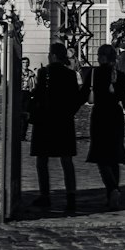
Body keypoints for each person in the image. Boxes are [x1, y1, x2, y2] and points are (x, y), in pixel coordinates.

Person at [29, 42, 88, 214]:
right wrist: (69, 112)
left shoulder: (43, 73)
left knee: (42, 160)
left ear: (53, 55)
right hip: (63, 121)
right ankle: (71, 197)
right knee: (66, 160)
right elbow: (76, 99)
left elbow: (38, 95)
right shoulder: (70, 74)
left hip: (45, 121)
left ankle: (45, 195)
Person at [85, 44, 125, 210]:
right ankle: (112, 195)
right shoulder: (120, 76)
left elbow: (81, 96)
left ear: (102, 57)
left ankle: (112, 190)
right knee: (114, 158)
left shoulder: (94, 74)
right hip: (116, 117)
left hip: (100, 116)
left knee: (101, 158)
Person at [20, 57, 37, 141]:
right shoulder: (18, 72)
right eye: (23, 62)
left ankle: (23, 134)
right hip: (20, 93)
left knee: (26, 115)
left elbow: (35, 84)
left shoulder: (31, 73)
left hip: (28, 94)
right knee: (19, 114)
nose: (25, 64)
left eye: (27, 62)